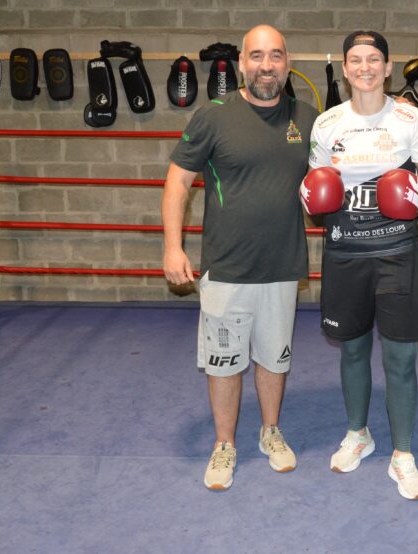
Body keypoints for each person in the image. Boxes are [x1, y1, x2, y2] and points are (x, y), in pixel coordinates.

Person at [161, 25, 318, 491]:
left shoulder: (309, 119)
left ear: (287, 62)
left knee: (274, 357)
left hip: (282, 266)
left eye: (275, 56)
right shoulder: (213, 117)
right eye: (256, 56)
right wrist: (172, 246)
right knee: (223, 362)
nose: (266, 66)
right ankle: (225, 444)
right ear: (242, 64)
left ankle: (270, 431)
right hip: (226, 267)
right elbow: (176, 182)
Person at [302, 30, 418, 500]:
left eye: (374, 59)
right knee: (352, 349)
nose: (365, 67)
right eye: (355, 60)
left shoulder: (410, 119)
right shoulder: (326, 125)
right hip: (345, 252)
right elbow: (316, 190)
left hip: (397, 253)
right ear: (345, 69)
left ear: (387, 68)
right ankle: (358, 433)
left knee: (401, 356)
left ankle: (403, 454)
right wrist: (310, 196)